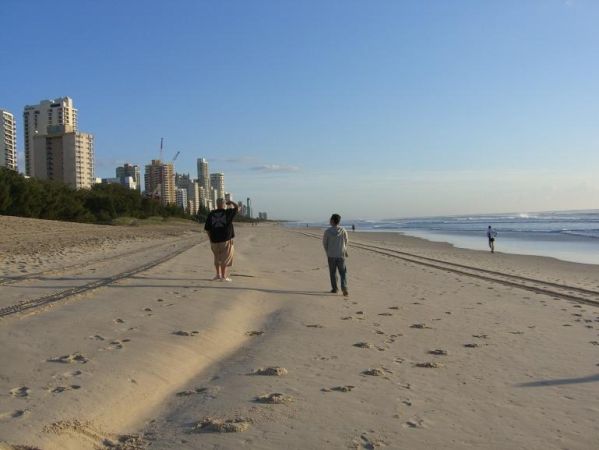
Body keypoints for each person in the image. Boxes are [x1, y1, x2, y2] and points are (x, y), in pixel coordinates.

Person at [204, 198, 239, 281]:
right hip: (225, 239)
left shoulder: (211, 214)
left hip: (214, 240)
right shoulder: (227, 213)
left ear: (216, 204)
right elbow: (237, 208)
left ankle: (218, 275)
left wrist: (210, 239)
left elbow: (207, 229)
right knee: (225, 258)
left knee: (216, 258)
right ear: (224, 204)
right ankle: (223, 276)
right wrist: (231, 202)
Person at [323, 213, 349, 296]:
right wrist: (344, 249)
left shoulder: (327, 231)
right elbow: (346, 241)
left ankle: (335, 289)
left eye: (330, 219)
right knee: (343, 272)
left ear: (332, 221)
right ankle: (344, 288)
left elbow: (325, 243)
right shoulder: (343, 230)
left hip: (331, 255)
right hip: (341, 254)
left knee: (333, 272)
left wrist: (327, 251)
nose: (329, 221)